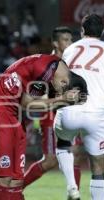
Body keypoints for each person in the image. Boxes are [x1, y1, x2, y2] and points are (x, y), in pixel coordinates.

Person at [0, 54, 80, 200]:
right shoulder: (45, 70)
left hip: (15, 115)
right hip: (0, 112)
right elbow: (28, 104)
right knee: (4, 177)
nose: (55, 90)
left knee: (17, 179)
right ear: (64, 81)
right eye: (60, 89)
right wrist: (62, 98)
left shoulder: (53, 66)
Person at [54, 14, 104, 200]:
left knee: (63, 143)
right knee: (98, 166)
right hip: (97, 113)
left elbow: (59, 80)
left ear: (82, 31)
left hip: (70, 109)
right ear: (102, 32)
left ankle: (72, 187)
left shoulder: (70, 50)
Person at [23, 26, 83, 190]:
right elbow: (35, 95)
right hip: (50, 116)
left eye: (71, 39)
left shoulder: (72, 64)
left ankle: (74, 194)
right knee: (50, 161)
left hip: (70, 115)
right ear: (55, 43)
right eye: (66, 40)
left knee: (76, 155)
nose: (70, 43)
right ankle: (16, 187)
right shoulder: (45, 65)